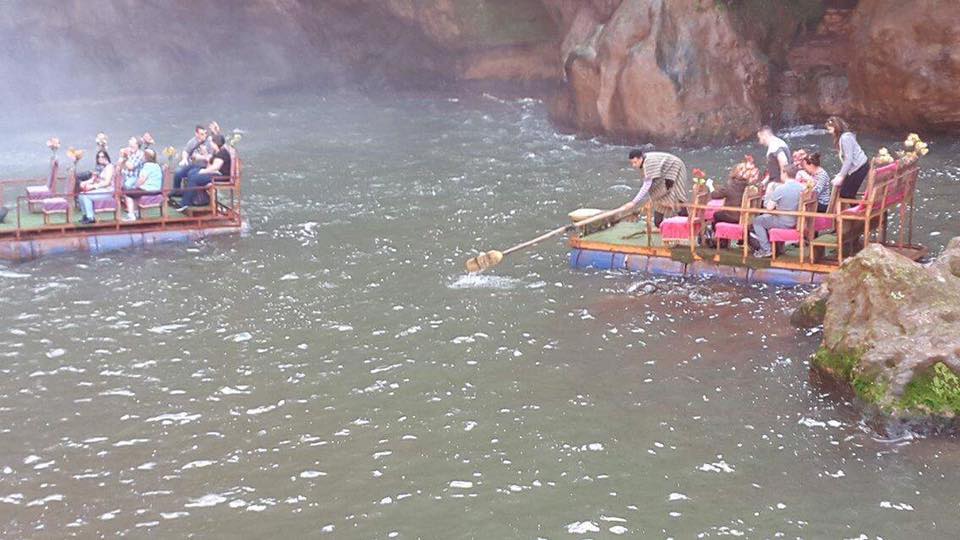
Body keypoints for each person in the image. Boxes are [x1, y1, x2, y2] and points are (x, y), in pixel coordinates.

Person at [611, 149, 688, 229]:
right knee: (657, 192)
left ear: (641, 158)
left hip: (675, 167)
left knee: (676, 193)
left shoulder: (649, 164)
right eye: (632, 163)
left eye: (635, 162)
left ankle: (685, 221)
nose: (634, 165)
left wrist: (634, 202)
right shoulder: (644, 163)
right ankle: (660, 222)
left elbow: (646, 185)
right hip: (664, 171)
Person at [752, 164, 805, 258]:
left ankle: (766, 249)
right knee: (767, 219)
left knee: (758, 221)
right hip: (796, 221)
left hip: (783, 222)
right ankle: (778, 248)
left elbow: (769, 207)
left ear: (785, 174)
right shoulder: (802, 188)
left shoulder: (781, 188)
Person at [178, 134, 230, 210]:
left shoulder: (222, 153)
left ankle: (186, 203)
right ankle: (193, 198)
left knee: (195, 178)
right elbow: (210, 163)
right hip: (215, 173)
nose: (211, 144)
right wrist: (205, 153)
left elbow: (216, 167)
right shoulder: (217, 151)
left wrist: (204, 171)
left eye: (212, 142)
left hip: (221, 176)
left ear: (215, 143)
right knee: (191, 173)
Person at [825, 116, 868, 199]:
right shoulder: (846, 137)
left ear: (835, 127)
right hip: (859, 166)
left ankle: (857, 211)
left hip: (860, 167)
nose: (829, 132)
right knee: (846, 193)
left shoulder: (845, 138)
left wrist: (841, 175)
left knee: (846, 194)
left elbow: (848, 159)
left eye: (830, 129)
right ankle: (855, 210)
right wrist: (841, 174)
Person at [712, 155, 760, 225]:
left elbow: (715, 195)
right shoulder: (747, 185)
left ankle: (718, 234)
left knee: (716, 215)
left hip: (733, 217)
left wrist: (711, 189)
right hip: (745, 217)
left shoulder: (731, 185)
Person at [171, 125, 213, 202]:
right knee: (178, 172)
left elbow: (211, 157)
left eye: (205, 134)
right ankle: (176, 191)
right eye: (201, 134)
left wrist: (202, 155)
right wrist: (184, 159)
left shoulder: (209, 143)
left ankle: (193, 197)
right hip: (192, 164)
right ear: (196, 134)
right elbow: (186, 151)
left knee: (191, 174)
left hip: (203, 166)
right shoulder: (192, 141)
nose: (204, 136)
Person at [122, 149, 163, 221]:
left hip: (148, 189)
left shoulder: (147, 166)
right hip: (157, 189)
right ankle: (136, 213)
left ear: (145, 157)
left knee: (128, 194)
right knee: (135, 193)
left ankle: (131, 215)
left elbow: (142, 179)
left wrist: (135, 186)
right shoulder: (157, 165)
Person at [78, 150, 116, 224]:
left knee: (86, 196)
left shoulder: (110, 167)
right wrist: (85, 183)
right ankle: (85, 215)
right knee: (81, 195)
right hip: (101, 189)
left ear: (106, 157)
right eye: (98, 157)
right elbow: (94, 179)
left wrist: (93, 187)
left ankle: (91, 217)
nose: (100, 158)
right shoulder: (102, 168)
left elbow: (107, 182)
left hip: (108, 191)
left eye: (102, 156)